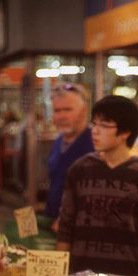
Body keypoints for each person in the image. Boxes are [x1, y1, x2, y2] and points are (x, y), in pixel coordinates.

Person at [56, 95, 138, 276]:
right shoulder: (79, 170)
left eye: (104, 125)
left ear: (125, 132)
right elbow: (65, 227)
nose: (95, 131)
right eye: (94, 124)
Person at [45, 83, 95, 233]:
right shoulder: (59, 141)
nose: (61, 116)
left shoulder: (94, 143)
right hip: (53, 226)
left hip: (80, 232)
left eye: (67, 110)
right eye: (57, 110)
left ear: (84, 111)